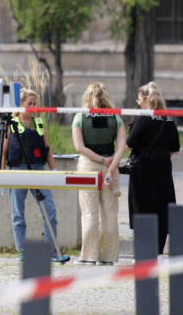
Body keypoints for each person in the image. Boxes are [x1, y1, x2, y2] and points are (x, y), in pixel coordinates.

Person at [1, 87, 69, 263]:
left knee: (50, 210)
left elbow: (47, 149)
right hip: (17, 170)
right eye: (29, 103)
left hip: (38, 169)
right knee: (18, 213)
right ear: (21, 104)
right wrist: (0, 176)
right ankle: (22, 250)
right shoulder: (11, 123)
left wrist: (53, 170)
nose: (32, 106)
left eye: (34, 103)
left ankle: (51, 249)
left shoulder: (39, 123)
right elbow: (3, 152)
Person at [71, 82, 126, 264]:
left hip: (88, 166)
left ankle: (89, 256)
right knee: (110, 213)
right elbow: (122, 147)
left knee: (89, 212)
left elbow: (79, 147)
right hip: (111, 164)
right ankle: (108, 256)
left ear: (87, 96)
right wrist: (110, 167)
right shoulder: (115, 117)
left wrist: (100, 160)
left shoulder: (80, 117)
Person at [127, 81, 180, 254]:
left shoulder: (144, 117)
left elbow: (129, 144)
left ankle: (145, 252)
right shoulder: (168, 118)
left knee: (142, 208)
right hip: (163, 169)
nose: (138, 102)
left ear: (145, 99)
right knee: (162, 209)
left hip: (142, 170)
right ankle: (157, 251)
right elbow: (175, 149)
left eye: (139, 99)